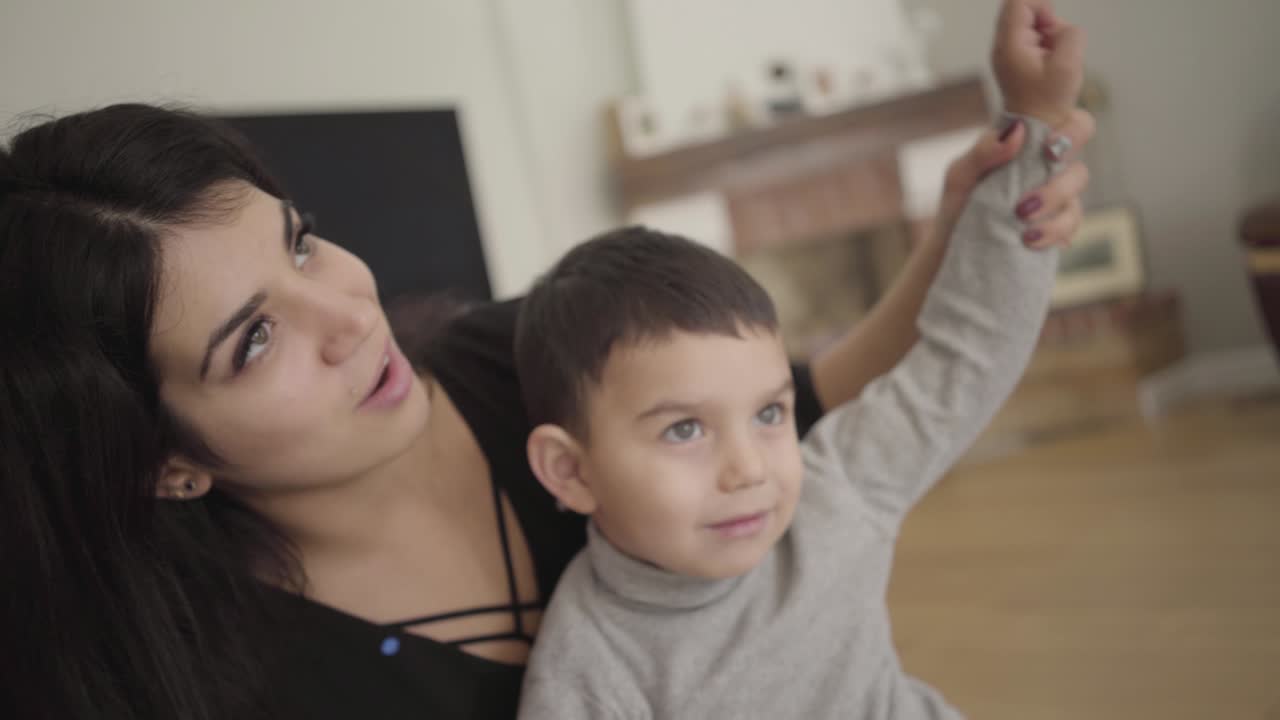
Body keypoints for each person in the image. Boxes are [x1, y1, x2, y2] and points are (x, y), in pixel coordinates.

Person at [0, 13, 1090, 720]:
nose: (346, 309)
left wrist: (970, 217)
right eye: (254, 338)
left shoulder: (512, 353)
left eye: (300, 242)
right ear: (162, 461)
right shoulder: (225, 682)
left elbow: (805, 394)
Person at [512, 2, 1082, 718]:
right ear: (571, 470)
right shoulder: (588, 671)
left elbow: (970, 354)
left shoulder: (833, 495)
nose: (749, 468)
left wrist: (1034, 120)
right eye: (685, 429)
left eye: (771, 413)